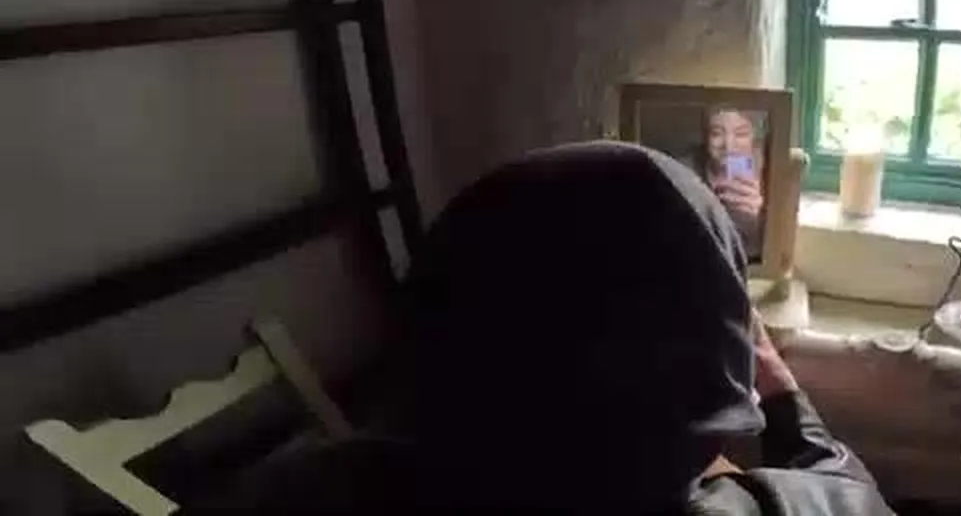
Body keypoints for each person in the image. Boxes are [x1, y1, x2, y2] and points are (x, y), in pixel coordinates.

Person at [186, 142, 893, 515]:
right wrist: (782, 393)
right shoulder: (790, 508)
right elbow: (848, 487)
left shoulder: (305, 488)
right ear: (720, 367)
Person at [692, 107, 766, 258]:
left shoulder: (772, 173)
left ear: (754, 138)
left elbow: (776, 250)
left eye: (741, 134)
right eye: (716, 133)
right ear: (705, 137)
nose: (729, 146)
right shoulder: (686, 170)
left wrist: (759, 219)